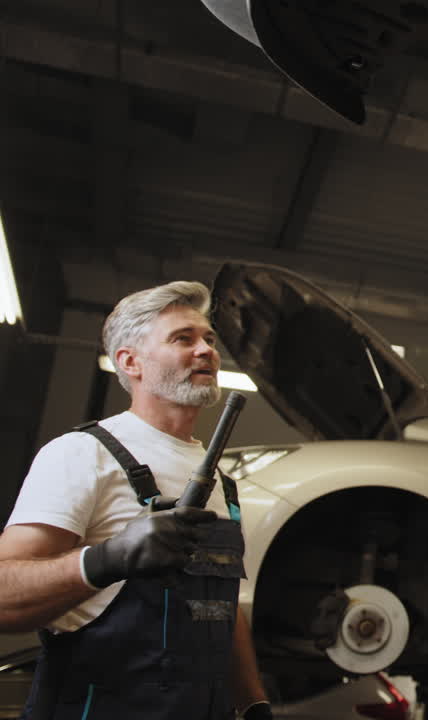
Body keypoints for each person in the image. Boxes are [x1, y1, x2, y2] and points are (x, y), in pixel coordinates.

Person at [0, 281, 271, 720]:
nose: (206, 350)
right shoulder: (83, 454)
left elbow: (220, 607)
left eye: (209, 339)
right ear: (131, 362)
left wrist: (253, 702)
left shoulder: (222, 479)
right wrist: (107, 559)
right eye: (183, 338)